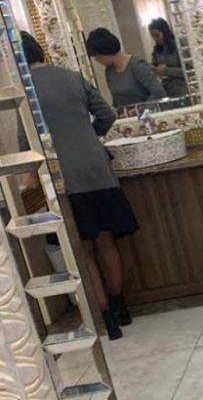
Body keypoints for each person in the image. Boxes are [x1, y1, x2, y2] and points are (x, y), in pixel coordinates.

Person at [21, 31, 138, 341]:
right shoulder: (71, 76)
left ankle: (107, 321)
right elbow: (107, 114)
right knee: (106, 241)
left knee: (83, 250)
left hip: (64, 175)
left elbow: (25, 141)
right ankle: (121, 307)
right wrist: (89, 135)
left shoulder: (24, 91)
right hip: (97, 168)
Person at [85, 28, 165, 108]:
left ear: (104, 53)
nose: (98, 61)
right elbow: (116, 101)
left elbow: (159, 93)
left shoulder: (137, 66)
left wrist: (140, 109)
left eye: (97, 57)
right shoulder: (109, 72)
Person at [148, 17, 188, 98]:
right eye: (153, 36)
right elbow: (154, 65)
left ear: (164, 32)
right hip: (167, 89)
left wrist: (167, 70)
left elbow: (188, 71)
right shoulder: (157, 49)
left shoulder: (179, 45)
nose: (155, 39)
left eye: (157, 35)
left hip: (182, 88)